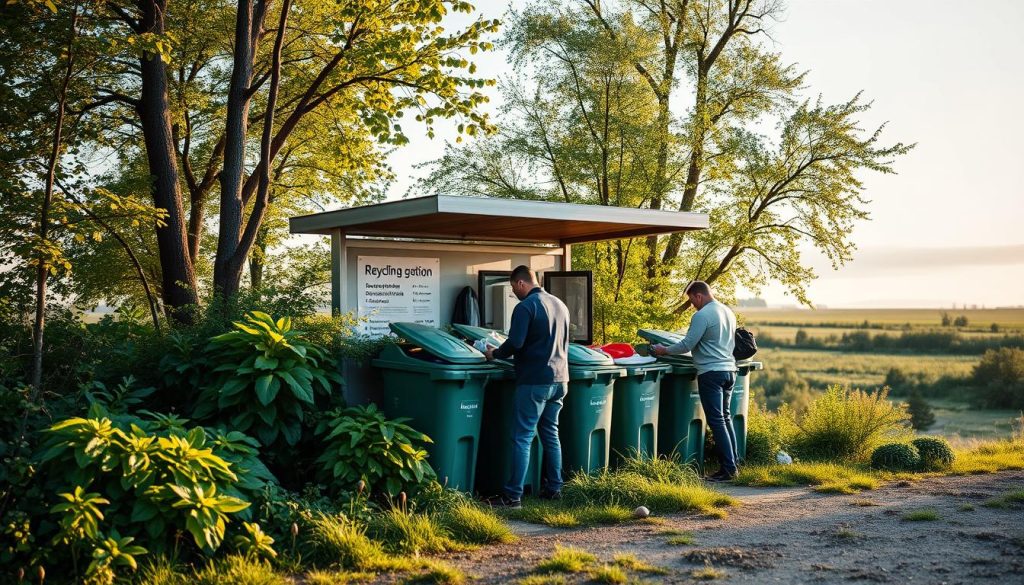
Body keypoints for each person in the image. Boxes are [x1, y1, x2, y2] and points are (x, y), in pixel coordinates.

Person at [484, 265, 570, 508]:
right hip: (560, 379)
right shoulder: (559, 304)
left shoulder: (526, 307)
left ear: (521, 283)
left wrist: (496, 354)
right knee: (551, 435)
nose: (514, 293)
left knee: (522, 437)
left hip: (534, 380)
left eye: (513, 288)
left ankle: (513, 496)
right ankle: (554, 489)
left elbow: (517, 342)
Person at [652, 281, 739, 481]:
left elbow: (687, 344)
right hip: (729, 371)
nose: (692, 305)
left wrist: (663, 350)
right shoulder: (727, 312)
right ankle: (734, 463)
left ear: (698, 296)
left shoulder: (702, 315)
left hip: (711, 373)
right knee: (725, 418)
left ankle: (728, 470)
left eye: (692, 300)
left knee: (717, 421)